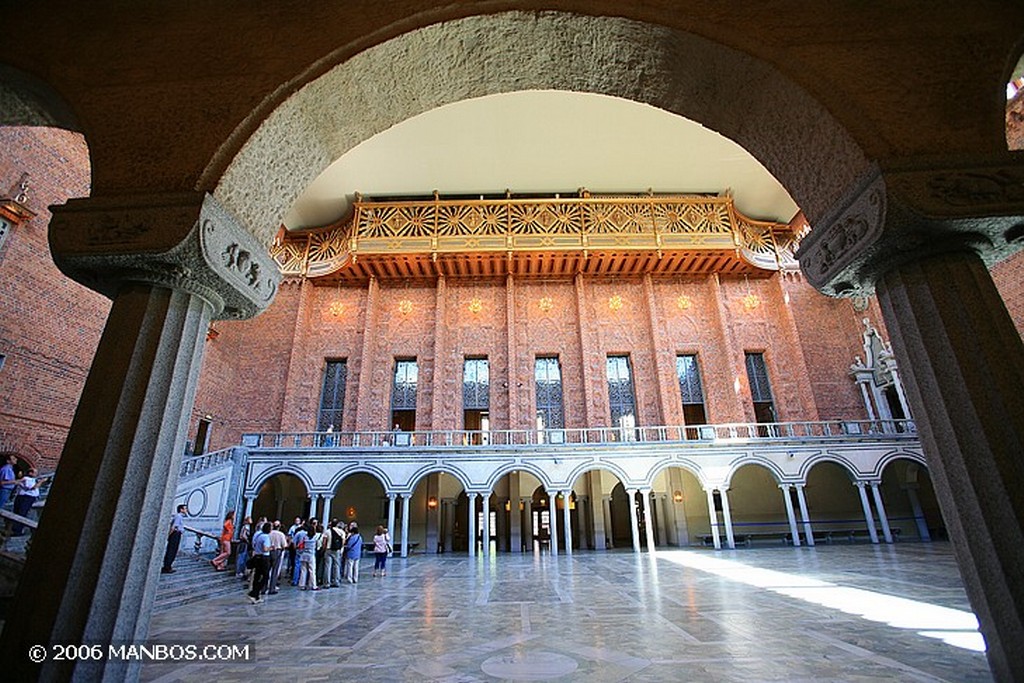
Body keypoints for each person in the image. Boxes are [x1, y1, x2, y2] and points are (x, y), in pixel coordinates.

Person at [11, 466, 48, 536]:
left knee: (22, 512)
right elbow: (33, 487)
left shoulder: (30, 479)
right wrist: (41, 481)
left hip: (27, 498)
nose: (36, 474)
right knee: (22, 512)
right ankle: (17, 530)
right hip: (26, 498)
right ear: (30, 473)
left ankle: (17, 529)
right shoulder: (27, 479)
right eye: (35, 473)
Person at [248, 521, 273, 605]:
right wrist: (271, 548)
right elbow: (265, 549)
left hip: (257, 556)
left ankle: (256, 596)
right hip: (264, 557)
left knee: (257, 576)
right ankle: (254, 592)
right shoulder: (266, 537)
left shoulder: (259, 535)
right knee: (265, 576)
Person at [161, 504, 187, 574]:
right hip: (175, 534)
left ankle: (168, 566)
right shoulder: (178, 516)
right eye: (185, 508)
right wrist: (169, 535)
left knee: (172, 550)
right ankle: (167, 567)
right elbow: (174, 527)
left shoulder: (178, 516)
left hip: (176, 534)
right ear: (181, 509)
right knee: (172, 550)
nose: (186, 510)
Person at [295, 521, 321, 590]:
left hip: (304, 554)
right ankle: (313, 585)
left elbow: (300, 544)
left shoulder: (305, 537)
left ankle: (302, 585)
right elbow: (318, 545)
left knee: (303, 570)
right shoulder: (315, 537)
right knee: (312, 570)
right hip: (311, 555)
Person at [323, 518, 346, 588]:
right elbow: (343, 542)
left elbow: (324, 542)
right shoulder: (341, 532)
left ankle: (327, 583)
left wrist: (324, 549)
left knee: (327, 566)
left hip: (328, 549)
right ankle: (336, 581)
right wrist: (340, 548)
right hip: (337, 550)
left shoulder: (327, 531)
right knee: (336, 566)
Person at [267, 520, 288, 594]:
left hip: (269, 551)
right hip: (277, 551)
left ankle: (264, 587)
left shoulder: (269, 533)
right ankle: (272, 588)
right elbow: (284, 545)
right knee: (275, 570)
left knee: (267, 570)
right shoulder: (281, 534)